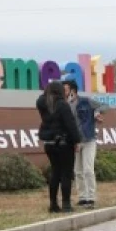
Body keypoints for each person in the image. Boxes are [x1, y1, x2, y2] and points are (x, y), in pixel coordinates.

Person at [36, 81, 81, 213]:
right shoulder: (62, 105)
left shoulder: (42, 104)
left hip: (49, 144)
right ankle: (66, 204)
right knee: (66, 174)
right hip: (63, 143)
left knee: (55, 173)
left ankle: (53, 204)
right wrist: (76, 140)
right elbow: (70, 124)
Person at [62, 75, 105, 209]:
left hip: (89, 139)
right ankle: (83, 197)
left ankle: (91, 197)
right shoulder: (66, 106)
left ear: (73, 90)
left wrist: (96, 113)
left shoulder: (86, 101)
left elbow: (104, 106)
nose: (64, 91)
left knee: (88, 169)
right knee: (78, 171)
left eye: (66, 89)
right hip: (75, 142)